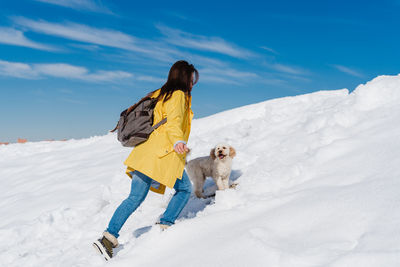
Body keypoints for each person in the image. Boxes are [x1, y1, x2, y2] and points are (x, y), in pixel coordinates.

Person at [93, 60, 199, 260]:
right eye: (192, 79)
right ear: (185, 78)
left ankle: (107, 238)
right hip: (162, 154)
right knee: (184, 189)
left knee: (134, 198)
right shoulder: (177, 95)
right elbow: (174, 121)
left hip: (145, 153)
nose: (192, 84)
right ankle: (165, 225)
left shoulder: (161, 93)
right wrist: (178, 141)